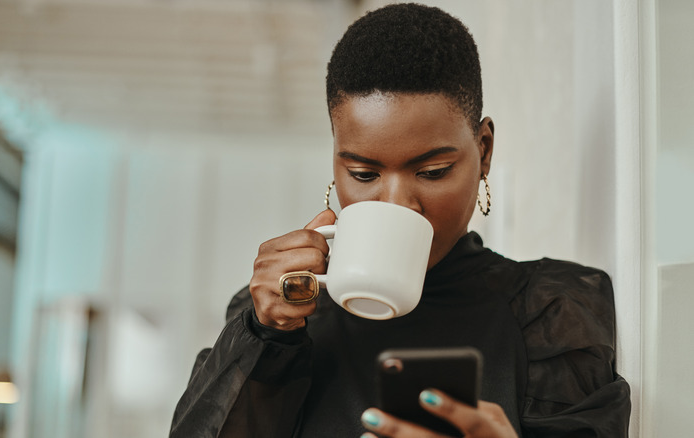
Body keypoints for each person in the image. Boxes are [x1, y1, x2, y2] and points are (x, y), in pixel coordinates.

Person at [169, 3, 631, 437]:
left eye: (432, 172)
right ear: (335, 166)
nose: (397, 203)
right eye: (364, 173)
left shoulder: (553, 316)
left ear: (484, 152)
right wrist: (265, 335)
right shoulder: (281, 317)